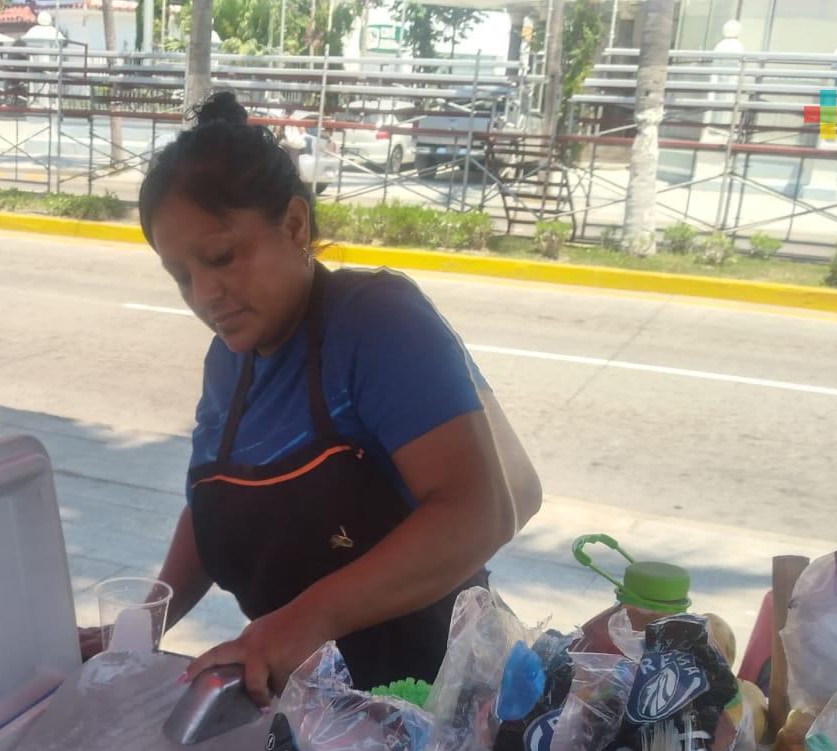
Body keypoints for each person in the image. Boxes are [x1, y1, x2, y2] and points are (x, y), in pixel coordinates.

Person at [140, 93, 539, 704]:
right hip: (308, 707)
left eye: (221, 258)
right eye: (181, 275)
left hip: (436, 702)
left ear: (295, 225)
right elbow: (211, 504)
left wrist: (295, 627)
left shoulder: (375, 322)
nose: (205, 294)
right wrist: (146, 622)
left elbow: (477, 511)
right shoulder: (227, 362)